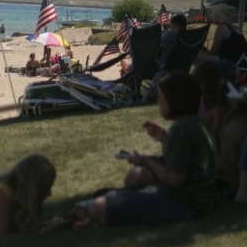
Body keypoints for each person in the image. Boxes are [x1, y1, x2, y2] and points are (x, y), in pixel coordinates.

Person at [72, 72, 217, 228]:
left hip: (183, 205)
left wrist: (146, 161)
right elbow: (180, 162)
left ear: (174, 101)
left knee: (97, 205)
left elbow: (174, 179)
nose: (158, 103)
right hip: (197, 200)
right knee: (109, 196)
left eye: (161, 98)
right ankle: (89, 218)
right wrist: (164, 139)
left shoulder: (181, 129)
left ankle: (83, 218)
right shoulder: (196, 123)